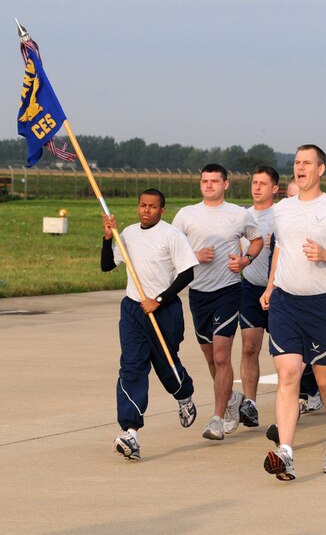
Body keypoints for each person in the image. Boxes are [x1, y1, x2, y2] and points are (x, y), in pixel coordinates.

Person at [261, 145, 326, 481]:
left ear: (321, 169)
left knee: (325, 379)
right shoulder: (283, 209)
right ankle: (286, 453)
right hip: (286, 303)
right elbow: (281, 250)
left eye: (307, 162)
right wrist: (271, 285)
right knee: (288, 373)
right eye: (296, 162)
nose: (300, 167)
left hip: (325, 305)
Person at [102, 189, 199, 461]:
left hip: (164, 310)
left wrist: (158, 299)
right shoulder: (129, 234)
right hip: (134, 309)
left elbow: (187, 273)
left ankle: (184, 395)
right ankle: (130, 431)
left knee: (166, 364)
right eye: (142, 205)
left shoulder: (172, 236)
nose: (146, 210)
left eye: (152, 207)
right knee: (132, 367)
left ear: (162, 210)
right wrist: (107, 237)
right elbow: (107, 266)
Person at [172, 164, 263, 440]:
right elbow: (172, 248)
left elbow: (256, 240)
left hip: (228, 291)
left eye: (214, 181)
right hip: (198, 293)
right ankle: (232, 398)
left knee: (222, 355)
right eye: (205, 181)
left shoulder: (238, 214)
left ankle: (217, 418)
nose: (209, 185)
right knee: (211, 357)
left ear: (226, 184)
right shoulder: (186, 214)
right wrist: (193, 255)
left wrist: (245, 260)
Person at [238, 166, 280, 428]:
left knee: (283, 354)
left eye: (263, 184)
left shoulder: (281, 217)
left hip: (280, 292)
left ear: (274, 188)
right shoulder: (242, 217)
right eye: (254, 182)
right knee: (249, 346)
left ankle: (294, 398)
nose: (257, 188)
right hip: (251, 289)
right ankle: (250, 403)